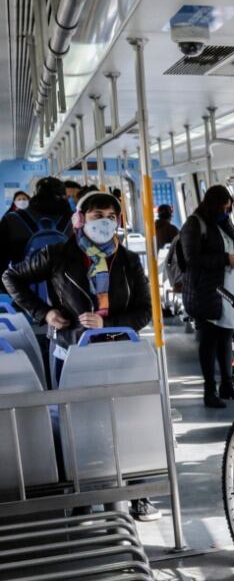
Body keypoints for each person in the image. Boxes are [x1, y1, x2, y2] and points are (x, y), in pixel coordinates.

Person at [1, 191, 158, 522]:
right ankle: (83, 491)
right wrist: (44, 313)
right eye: (97, 214)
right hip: (72, 350)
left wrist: (108, 322)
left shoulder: (129, 261)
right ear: (80, 218)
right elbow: (10, 278)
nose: (104, 222)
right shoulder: (58, 254)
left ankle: (136, 492)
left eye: (111, 216)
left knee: (125, 421)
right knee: (80, 423)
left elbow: (144, 311)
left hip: (117, 349)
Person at [180, 185, 234, 408]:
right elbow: (192, 258)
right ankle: (209, 391)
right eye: (223, 208)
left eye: (229, 209)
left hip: (228, 289)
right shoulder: (195, 223)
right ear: (212, 205)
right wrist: (225, 259)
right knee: (209, 342)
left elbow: (233, 246)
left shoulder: (225, 222)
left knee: (226, 339)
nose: (226, 212)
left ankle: (227, 385)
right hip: (206, 291)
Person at [0, 176, 72, 276]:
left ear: (35, 195)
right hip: (66, 287)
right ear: (64, 196)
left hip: (22, 285)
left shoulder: (11, 219)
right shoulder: (75, 220)